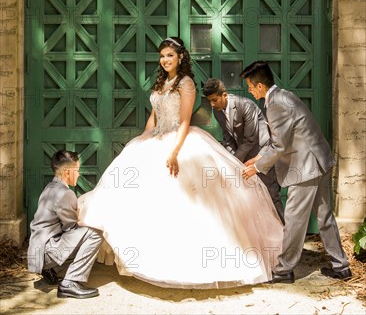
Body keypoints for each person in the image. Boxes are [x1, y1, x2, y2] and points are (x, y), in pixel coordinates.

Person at [78, 38, 283, 289]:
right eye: (162, 56)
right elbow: (153, 119)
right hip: (156, 139)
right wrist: (141, 141)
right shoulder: (161, 82)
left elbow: (185, 121)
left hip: (180, 141)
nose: (165, 60)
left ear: (181, 58)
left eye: (170, 56)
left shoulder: (186, 84)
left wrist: (174, 152)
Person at [240, 60, 351, 283]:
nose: (250, 91)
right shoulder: (282, 96)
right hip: (319, 160)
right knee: (324, 216)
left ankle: (284, 270)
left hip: (306, 167)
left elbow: (280, 146)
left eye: (250, 87)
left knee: (294, 219)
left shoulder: (275, 105)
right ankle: (342, 267)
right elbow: (280, 140)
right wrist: (259, 157)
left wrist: (257, 168)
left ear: (260, 86)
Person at [202, 78, 284, 223]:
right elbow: (228, 139)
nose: (212, 104)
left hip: (262, 154)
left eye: (214, 100)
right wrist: (227, 159)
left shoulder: (246, 106)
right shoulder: (217, 111)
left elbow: (250, 140)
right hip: (244, 159)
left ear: (224, 95)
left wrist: (233, 162)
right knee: (251, 200)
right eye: (210, 101)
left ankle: (287, 238)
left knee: (272, 198)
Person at [28, 150, 103, 299]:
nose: (79, 174)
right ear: (68, 172)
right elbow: (71, 228)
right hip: (47, 252)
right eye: (78, 170)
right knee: (95, 233)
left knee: (81, 234)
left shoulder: (50, 187)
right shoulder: (65, 193)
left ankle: (50, 271)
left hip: (36, 252)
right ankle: (71, 282)